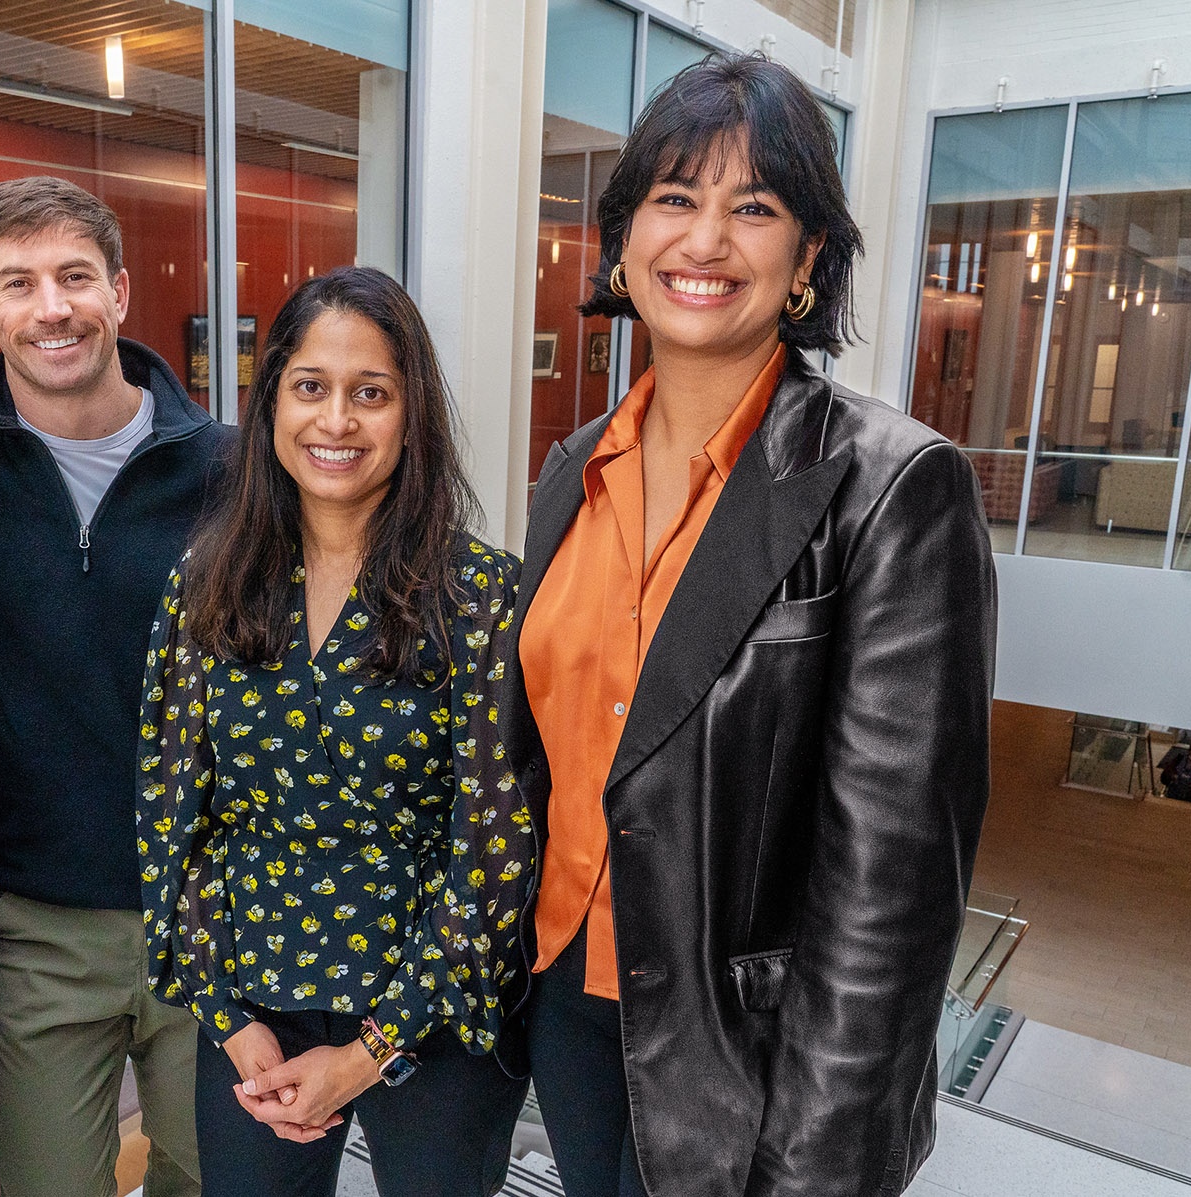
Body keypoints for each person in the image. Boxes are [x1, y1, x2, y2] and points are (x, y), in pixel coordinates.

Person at [503, 53, 997, 1197]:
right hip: (570, 1009)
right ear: (623, 239)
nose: (706, 241)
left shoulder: (894, 488)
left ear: (807, 259)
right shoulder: (574, 466)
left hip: (746, 1062)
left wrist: (820, 1162)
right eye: (673, 200)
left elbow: (891, 895)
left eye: (754, 208)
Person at [139, 266, 533, 1197]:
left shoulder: (482, 597)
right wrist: (230, 1019)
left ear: (412, 415)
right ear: (271, 399)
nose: (337, 421)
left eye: (372, 394)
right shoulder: (205, 588)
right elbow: (171, 823)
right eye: (310, 387)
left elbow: (496, 847)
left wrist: (370, 1050)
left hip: (432, 1014)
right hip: (254, 1010)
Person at [0, 176, 230, 1197]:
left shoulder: (229, 466)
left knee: (213, 1176)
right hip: (42, 924)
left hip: (213, 906)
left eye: (75, 276)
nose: (53, 308)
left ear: (119, 291)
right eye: (20, 284)